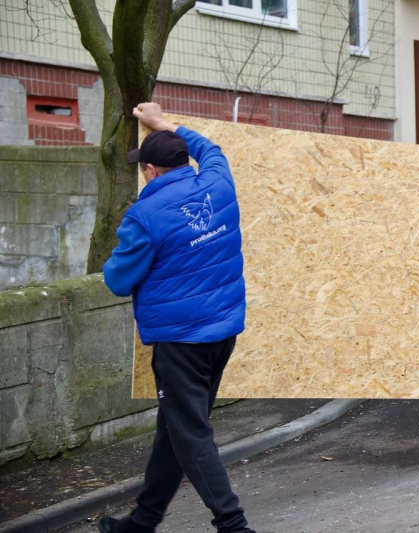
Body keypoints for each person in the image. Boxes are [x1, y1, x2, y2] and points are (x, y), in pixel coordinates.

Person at [100, 103, 253, 532]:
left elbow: (116, 279)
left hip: (180, 342)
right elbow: (213, 148)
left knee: (191, 435)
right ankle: (143, 522)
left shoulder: (144, 217)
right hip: (222, 332)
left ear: (150, 170)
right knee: (176, 429)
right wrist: (166, 124)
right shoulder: (219, 182)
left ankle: (234, 525)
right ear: (183, 160)